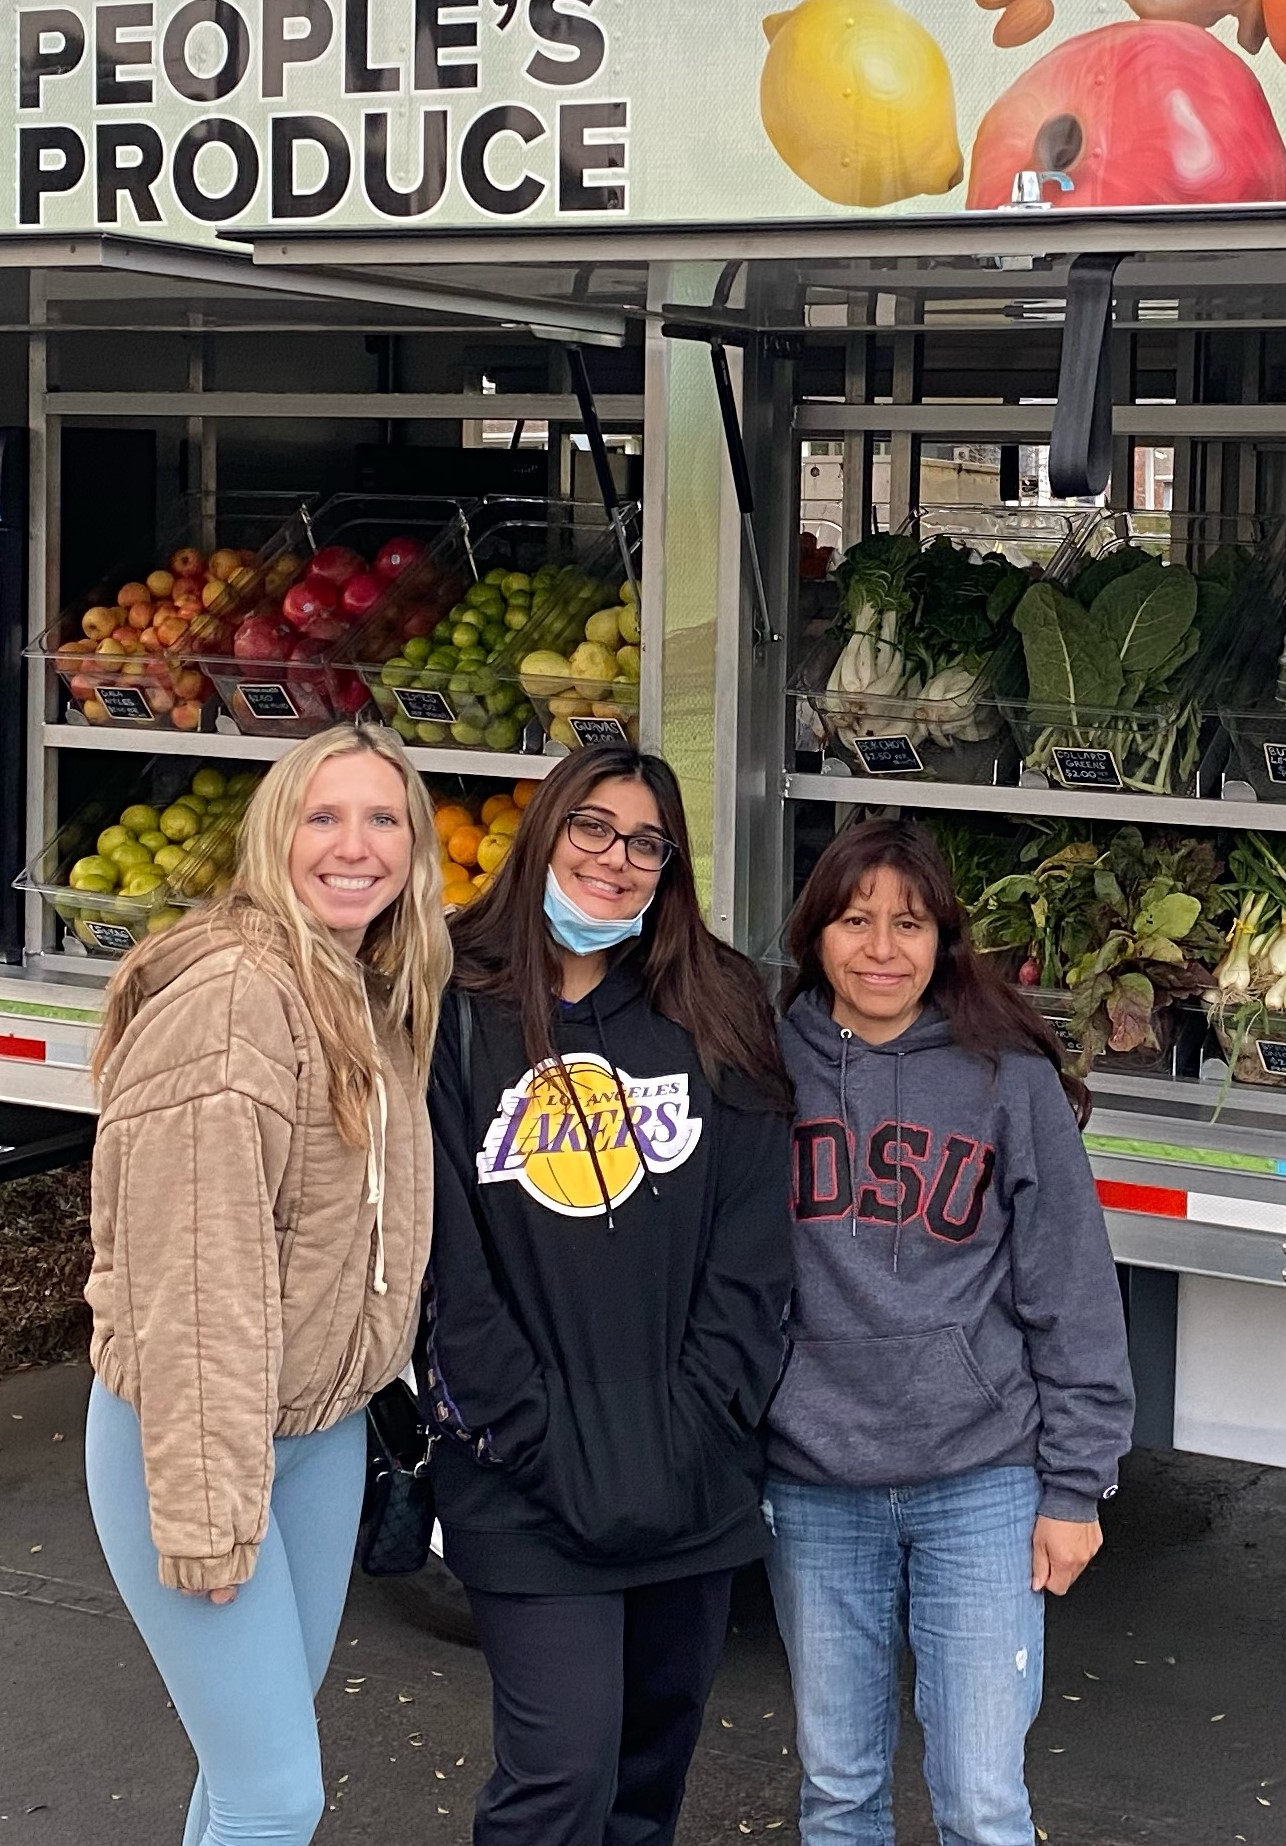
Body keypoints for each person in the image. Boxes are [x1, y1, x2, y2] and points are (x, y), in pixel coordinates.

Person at [82, 720, 450, 1846]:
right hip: (200, 1439)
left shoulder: (360, 986)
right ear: (272, 837)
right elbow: (196, 1280)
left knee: (249, 1767)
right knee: (276, 1792)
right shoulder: (236, 998)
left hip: (319, 1433)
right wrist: (207, 1508)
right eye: (322, 816)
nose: (356, 844)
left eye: (383, 817)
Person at [423, 744, 794, 1846]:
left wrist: (699, 1425)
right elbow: (449, 1265)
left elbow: (753, 1250)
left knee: (647, 1777)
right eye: (591, 827)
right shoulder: (445, 1007)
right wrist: (531, 1434)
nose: (616, 859)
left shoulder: (717, 1004)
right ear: (542, 833)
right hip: (523, 1475)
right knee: (562, 1777)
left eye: (645, 841)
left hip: (692, 1470)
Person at [766, 817, 1134, 1846]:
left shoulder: (1005, 1079)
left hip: (981, 1478)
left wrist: (1077, 1485)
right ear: (816, 933)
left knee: (980, 1797)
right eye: (855, 920)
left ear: (944, 940)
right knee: (839, 1792)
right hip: (812, 1476)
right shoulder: (761, 1065)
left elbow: (1073, 1289)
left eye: (910, 923)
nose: (882, 948)